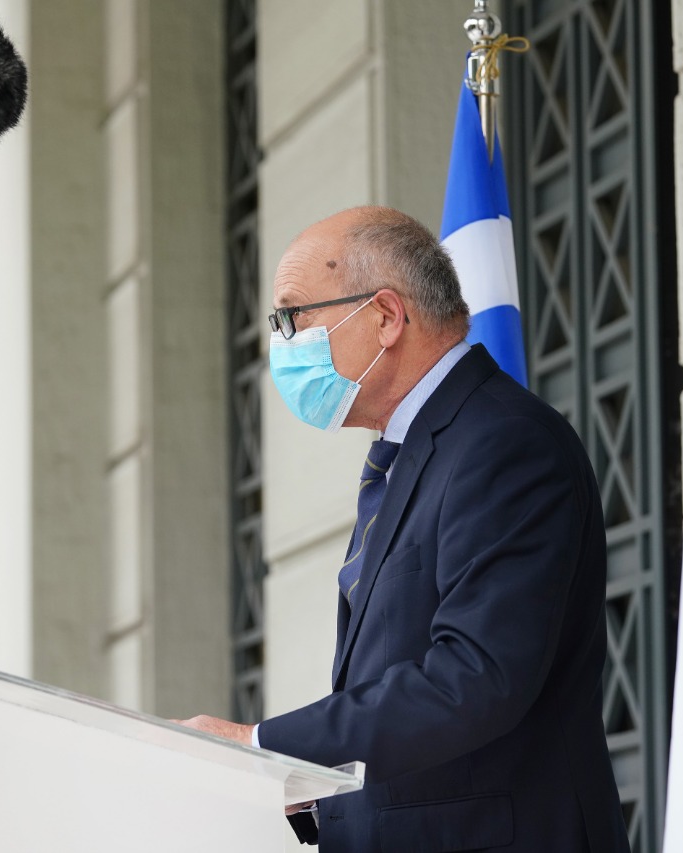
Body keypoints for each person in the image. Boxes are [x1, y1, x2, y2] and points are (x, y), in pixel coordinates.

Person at [180, 206, 629, 852]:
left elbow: (474, 676)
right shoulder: (408, 455)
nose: (282, 343)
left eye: (292, 317)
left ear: (386, 316)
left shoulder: (505, 442)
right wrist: (300, 792)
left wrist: (260, 745)